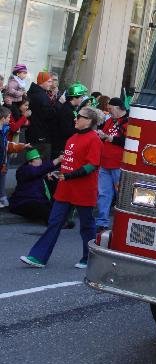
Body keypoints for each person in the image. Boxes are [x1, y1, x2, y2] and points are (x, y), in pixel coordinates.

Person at [20, 107, 102, 269]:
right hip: (65, 189)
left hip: (83, 190)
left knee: (86, 226)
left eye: (80, 117)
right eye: (76, 116)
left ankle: (90, 258)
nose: (76, 119)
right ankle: (38, 257)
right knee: (54, 222)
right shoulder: (72, 138)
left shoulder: (94, 139)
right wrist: (58, 172)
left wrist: (70, 175)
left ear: (89, 121)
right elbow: (70, 162)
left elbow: (92, 165)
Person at [95, 97, 128, 232]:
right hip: (105, 163)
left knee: (120, 195)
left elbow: (128, 141)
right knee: (103, 194)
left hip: (118, 165)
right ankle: (102, 222)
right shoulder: (110, 121)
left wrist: (110, 138)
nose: (109, 112)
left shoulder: (129, 122)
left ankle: (120, 224)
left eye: (110, 109)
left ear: (119, 108)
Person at [8, 148, 62, 222]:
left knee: (52, 206)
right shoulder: (24, 170)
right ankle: (55, 223)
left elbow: (42, 170)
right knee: (39, 207)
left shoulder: (40, 171)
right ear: (30, 162)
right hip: (22, 202)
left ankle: (61, 221)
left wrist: (51, 176)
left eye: (40, 159)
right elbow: (37, 171)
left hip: (38, 200)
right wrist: (58, 160)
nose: (40, 161)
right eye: (38, 159)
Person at [0, 106, 29, 207]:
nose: (10, 119)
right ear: (3, 119)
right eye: (8, 117)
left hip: (2, 161)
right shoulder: (3, 131)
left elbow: (6, 146)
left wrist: (22, 146)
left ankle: (2, 197)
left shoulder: (4, 131)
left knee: (2, 177)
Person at [52, 82, 89, 158]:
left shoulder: (71, 108)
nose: (82, 100)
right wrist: (81, 130)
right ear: (74, 97)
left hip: (65, 144)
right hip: (61, 146)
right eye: (81, 97)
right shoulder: (66, 110)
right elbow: (66, 130)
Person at [27, 70, 57, 160]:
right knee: (40, 164)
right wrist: (58, 103)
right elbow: (49, 115)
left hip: (32, 133)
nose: (51, 84)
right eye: (48, 81)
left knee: (31, 161)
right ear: (41, 82)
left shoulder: (33, 92)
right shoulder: (41, 96)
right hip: (41, 135)